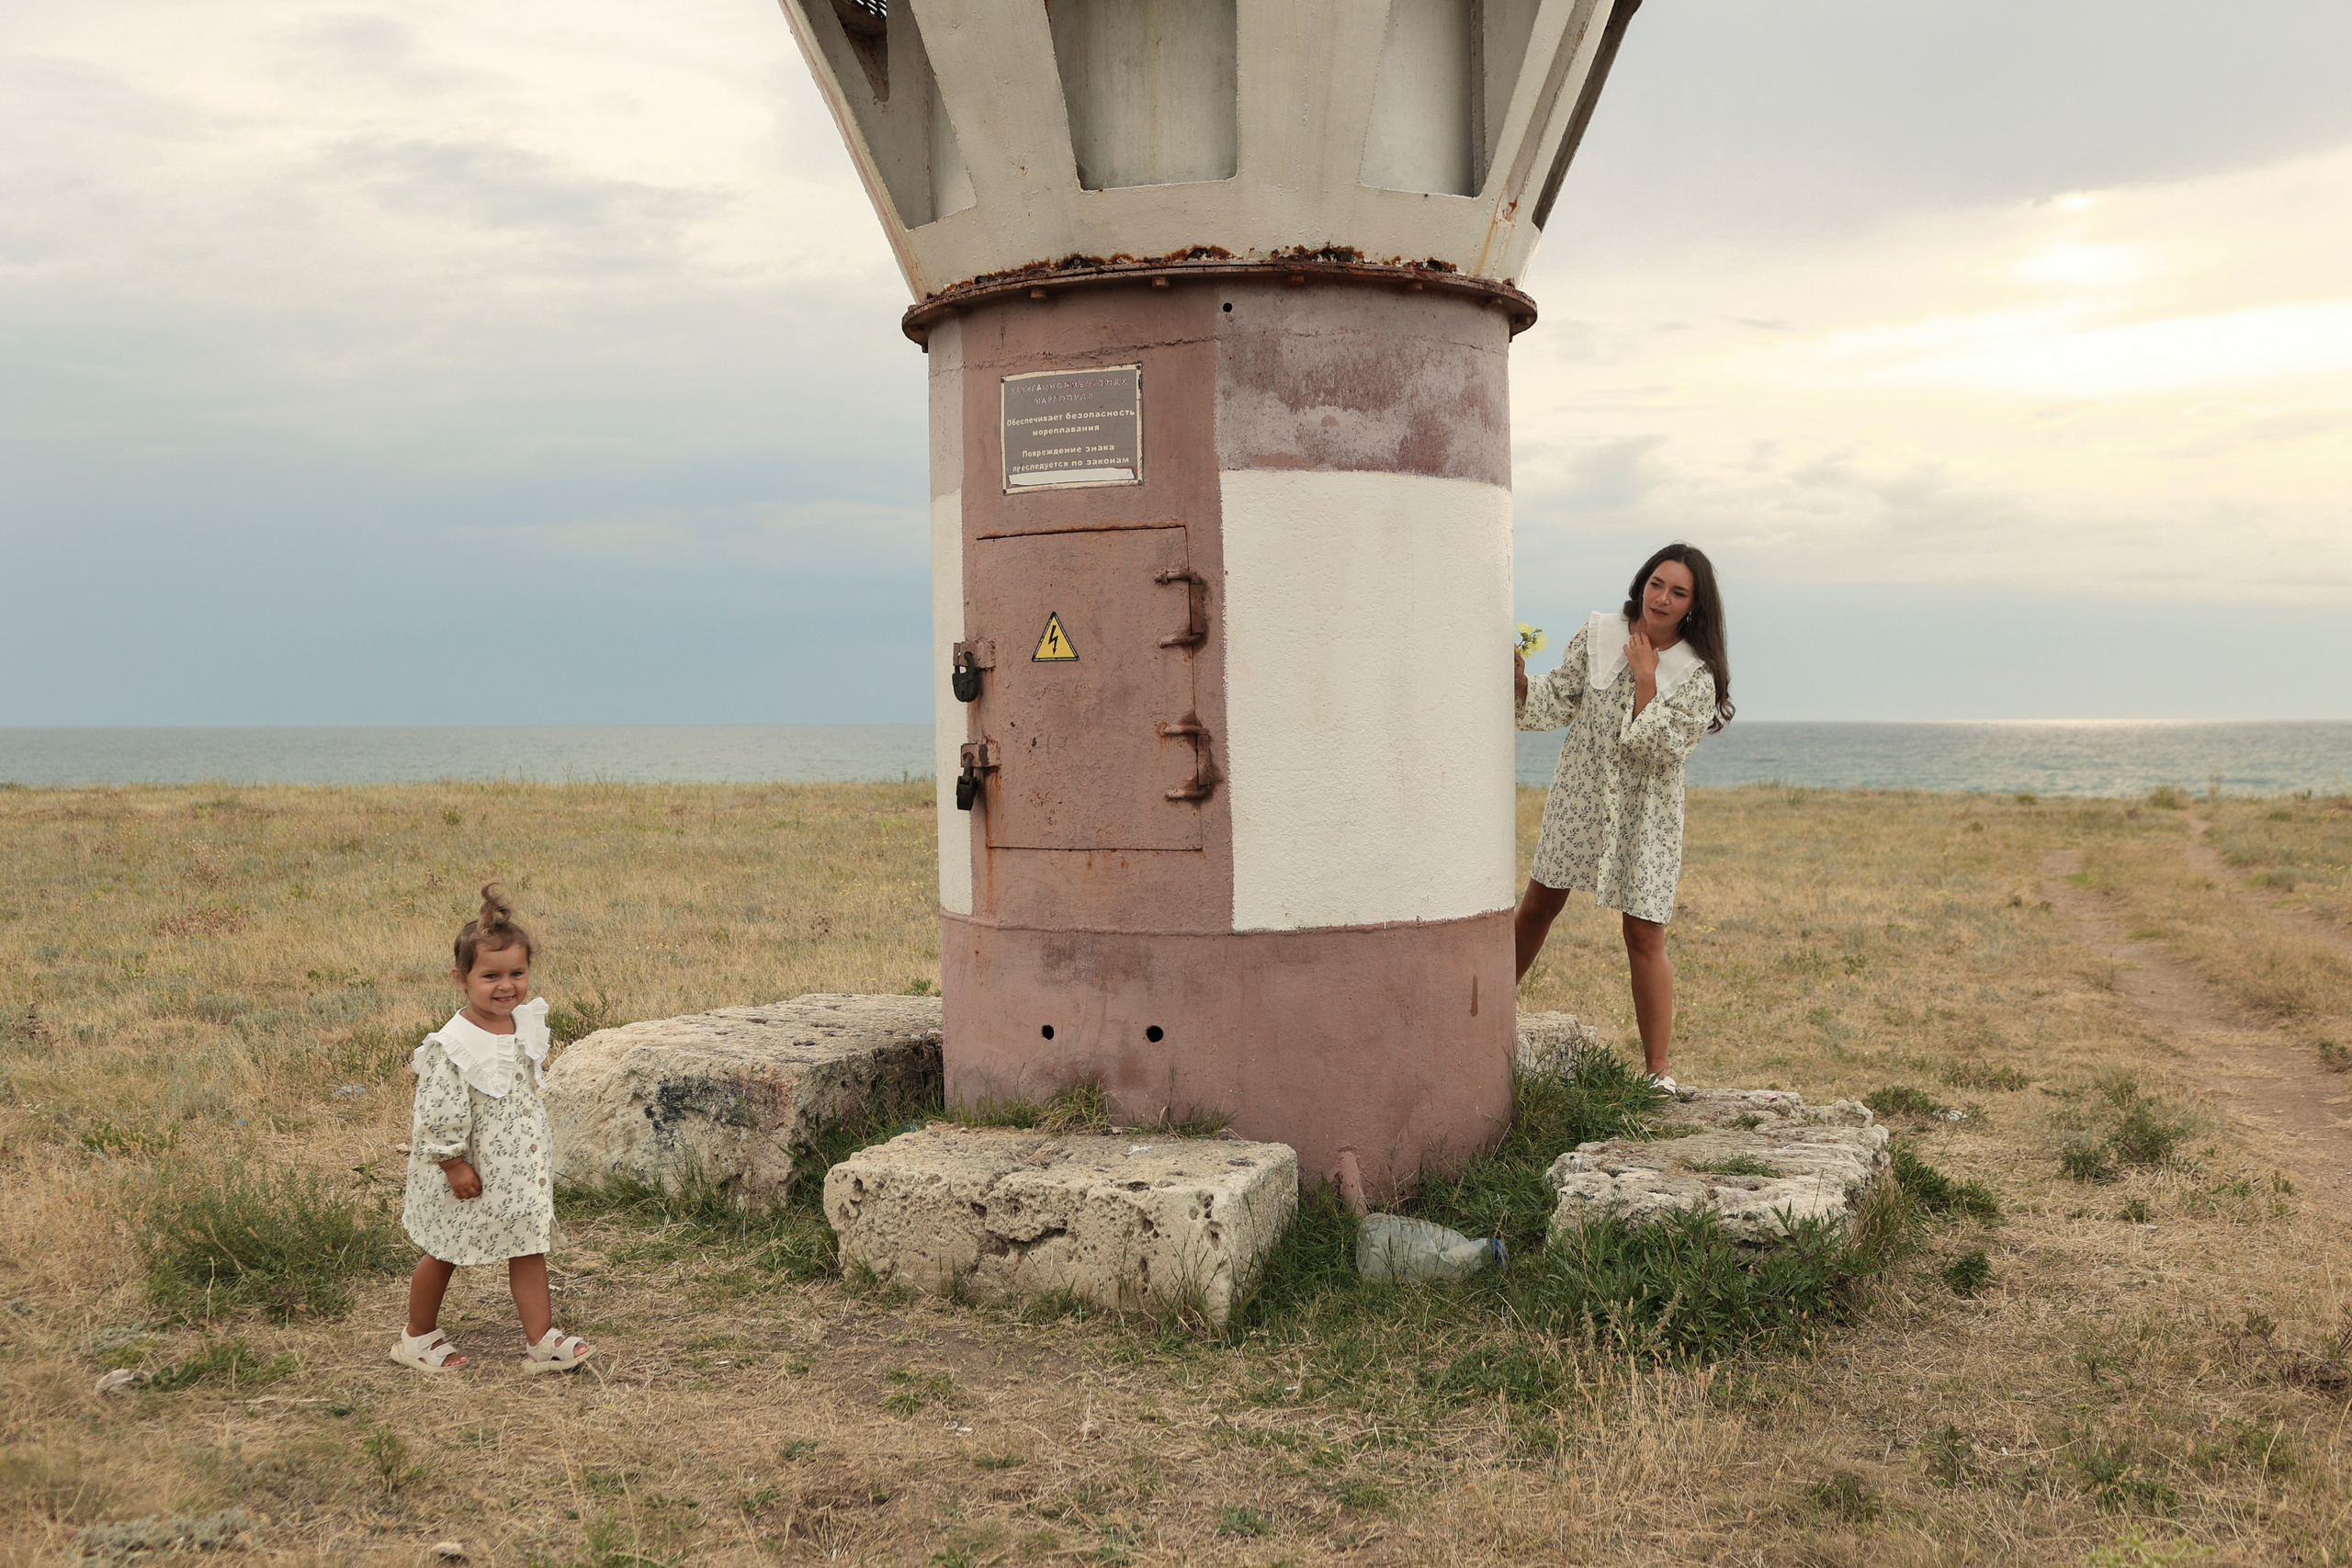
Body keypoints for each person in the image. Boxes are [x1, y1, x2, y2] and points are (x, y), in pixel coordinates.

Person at [1513, 544, 1734, 1089]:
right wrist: (1518, 682)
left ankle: (1658, 1071)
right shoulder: (1599, 634)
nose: (1662, 598)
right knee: (1540, 903)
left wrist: (1645, 680)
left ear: (1693, 606)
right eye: (1657, 584)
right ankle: (1489, 1013)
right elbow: (1559, 699)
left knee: (1644, 932)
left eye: (1678, 592)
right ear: (1643, 582)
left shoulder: (1698, 674)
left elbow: (1662, 749)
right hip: (1581, 794)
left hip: (1648, 814)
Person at [390, 886, 593, 1373]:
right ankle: (416, 1336)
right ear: (461, 979)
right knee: (444, 1250)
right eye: (490, 976)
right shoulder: (454, 1045)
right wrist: (453, 1164)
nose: (506, 986)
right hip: (467, 1172)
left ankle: (541, 1341)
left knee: (528, 1243)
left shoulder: (521, 1023)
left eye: (516, 974)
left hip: (515, 1172)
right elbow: (437, 1111)